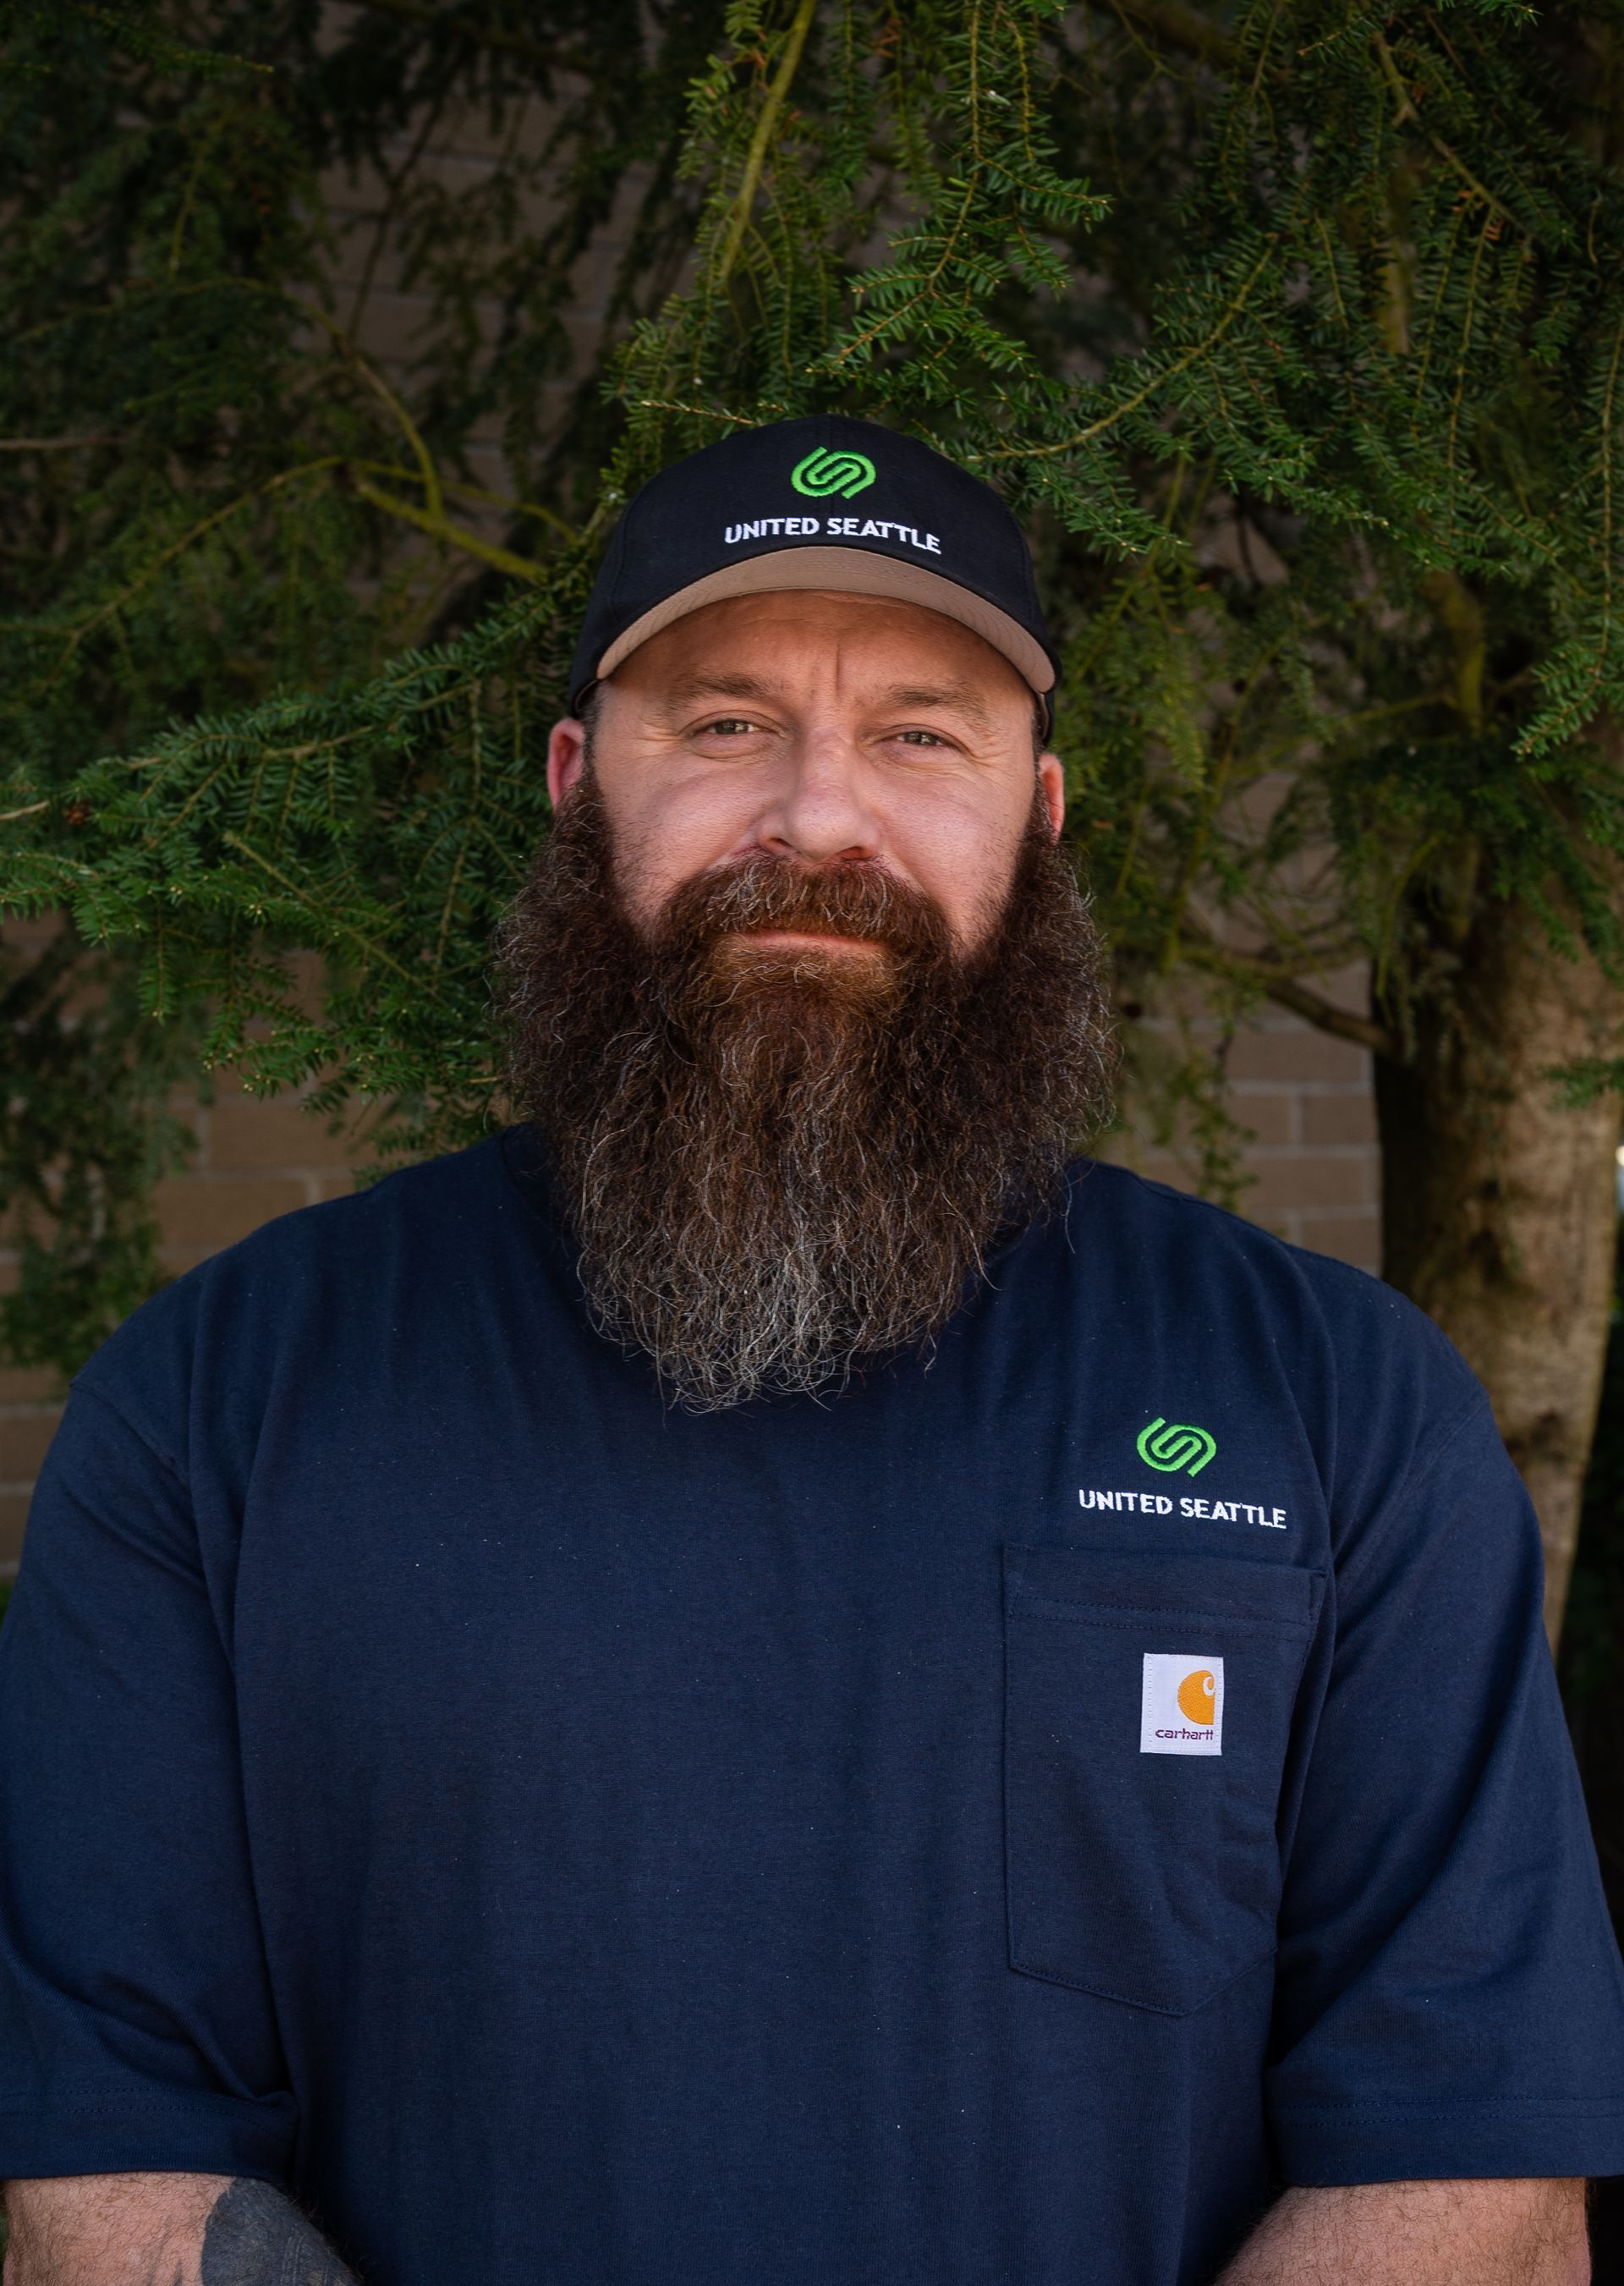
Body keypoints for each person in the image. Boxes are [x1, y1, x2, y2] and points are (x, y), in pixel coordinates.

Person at [0, 416, 1619, 2286]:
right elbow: (98, 2163)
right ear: (573, 783)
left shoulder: (1337, 1404)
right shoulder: (224, 1403)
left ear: (1045, 809)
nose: (820, 816)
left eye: (922, 732)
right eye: (722, 724)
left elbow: (1476, 2172)